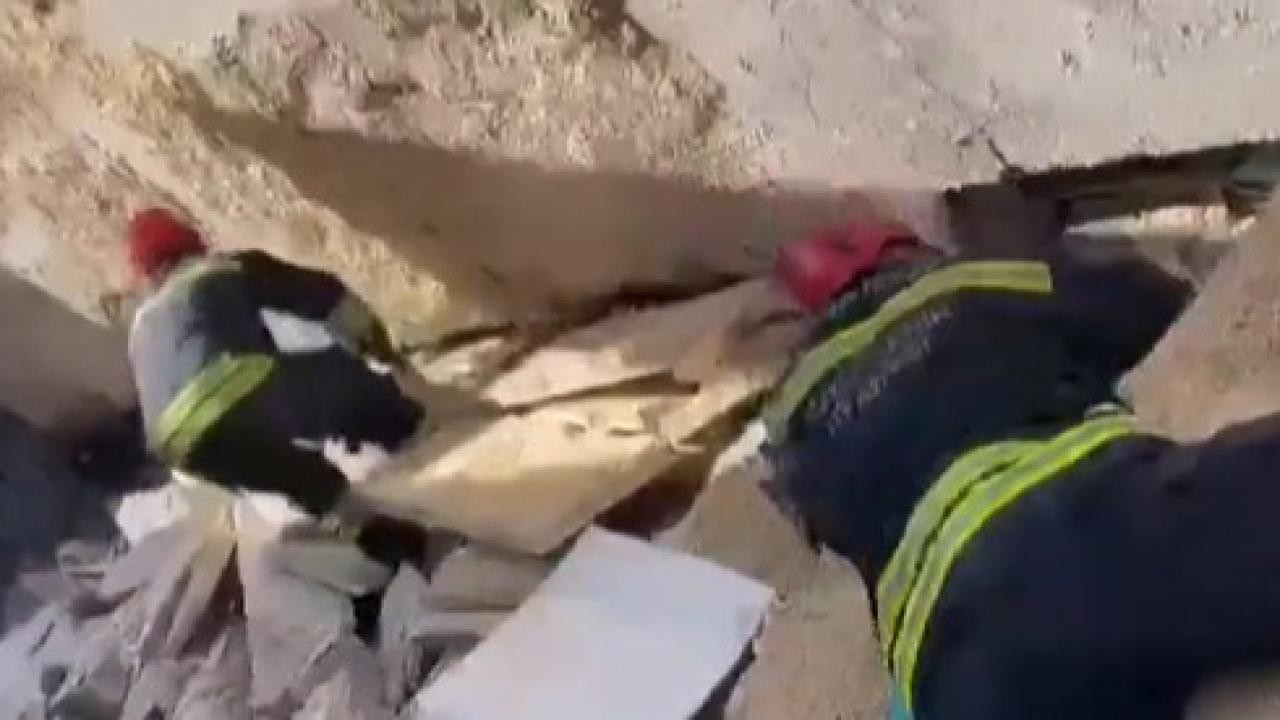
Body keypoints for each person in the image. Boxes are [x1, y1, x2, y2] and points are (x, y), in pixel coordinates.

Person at [761, 219, 1280, 718]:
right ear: (901, 256)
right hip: (1088, 536)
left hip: (955, 670)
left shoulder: (793, 417)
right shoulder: (967, 283)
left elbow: (821, 525)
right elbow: (1142, 302)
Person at [126, 207, 424, 518]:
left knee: (309, 482)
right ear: (190, 242)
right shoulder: (216, 270)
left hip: (181, 449)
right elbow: (322, 296)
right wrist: (377, 347)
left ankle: (375, 530)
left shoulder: (140, 327)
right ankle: (422, 439)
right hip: (236, 396)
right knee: (354, 385)